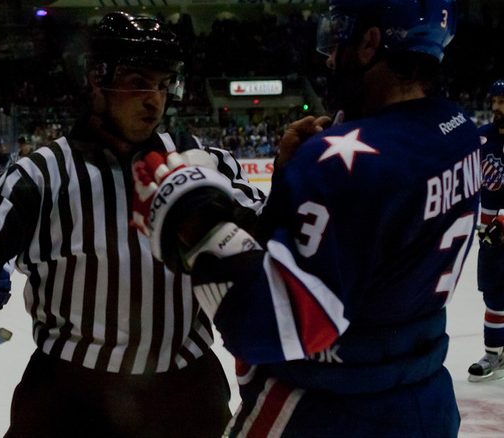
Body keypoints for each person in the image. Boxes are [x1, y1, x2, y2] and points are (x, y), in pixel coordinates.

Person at [129, 0, 477, 435]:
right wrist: (290, 184)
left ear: (370, 42)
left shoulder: (339, 162)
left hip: (330, 410)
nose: (330, 56)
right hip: (426, 398)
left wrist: (193, 219)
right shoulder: (460, 131)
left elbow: (266, 327)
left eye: (339, 38)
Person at [0, 12, 266, 437]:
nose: (155, 99)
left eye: (162, 83)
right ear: (96, 81)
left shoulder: (203, 161)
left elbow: (266, 236)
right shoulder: (40, 176)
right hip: (70, 398)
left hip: (185, 395)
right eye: (138, 82)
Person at [469, 78, 504, 382]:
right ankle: (493, 353)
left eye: (502, 102)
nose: (496, 108)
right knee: (493, 295)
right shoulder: (480, 138)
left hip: (500, 226)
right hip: (491, 233)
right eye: (494, 101)